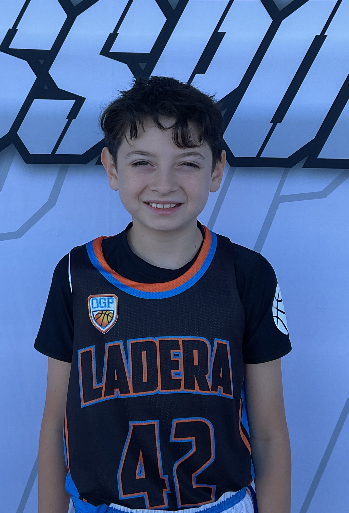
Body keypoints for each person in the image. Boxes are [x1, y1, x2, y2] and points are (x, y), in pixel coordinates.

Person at [35, 76, 292, 513]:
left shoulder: (246, 275)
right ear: (111, 168)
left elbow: (269, 433)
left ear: (216, 171)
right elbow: (55, 424)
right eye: (142, 163)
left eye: (187, 163)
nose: (164, 184)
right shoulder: (78, 275)